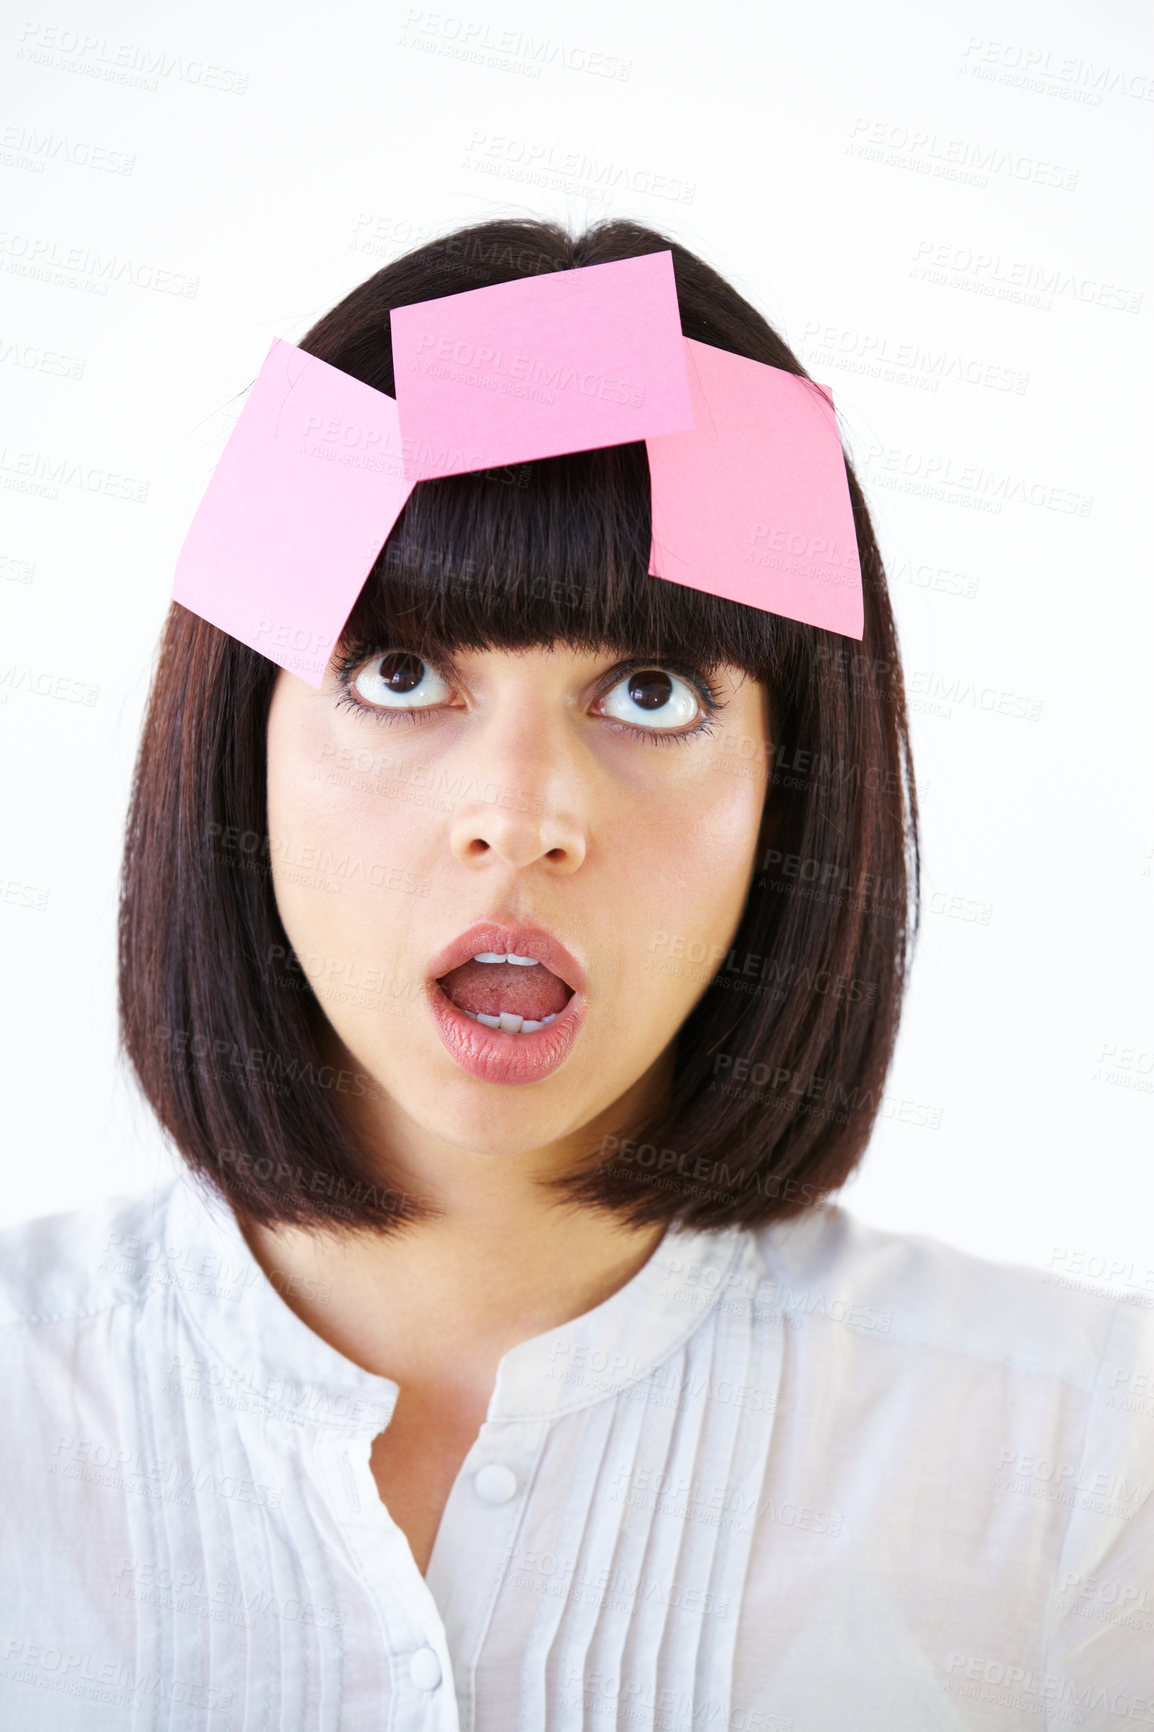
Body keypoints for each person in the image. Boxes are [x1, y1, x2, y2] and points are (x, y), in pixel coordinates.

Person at [2, 217, 1150, 1731]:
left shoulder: (1080, 1460)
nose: (524, 818)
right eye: (400, 673)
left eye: (651, 691)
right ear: (242, 753)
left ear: (789, 791)